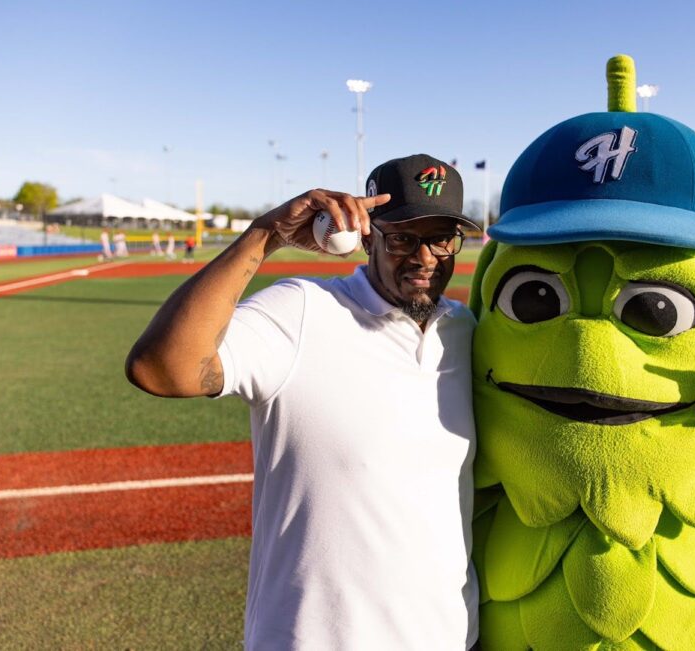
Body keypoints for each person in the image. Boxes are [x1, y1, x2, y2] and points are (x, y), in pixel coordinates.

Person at [126, 155, 481, 650]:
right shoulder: (302, 311)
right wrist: (264, 235)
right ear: (367, 236)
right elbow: (161, 368)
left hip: (447, 638)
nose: (425, 257)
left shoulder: (466, 331)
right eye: (402, 236)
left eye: (442, 238)